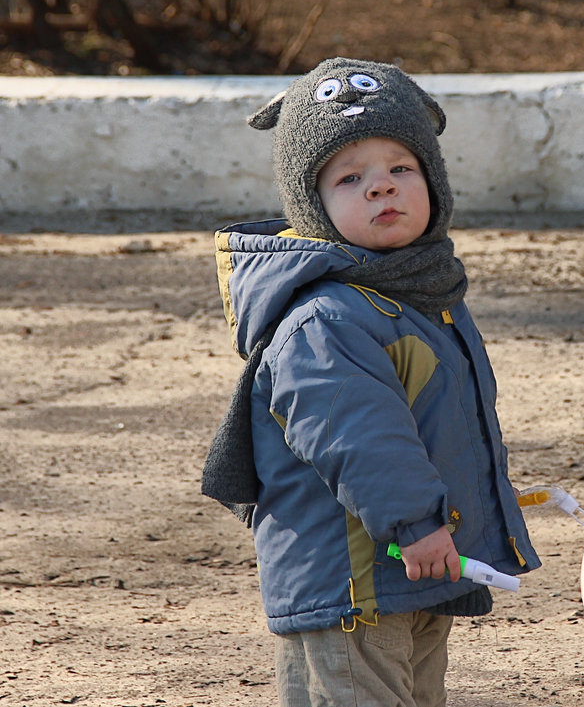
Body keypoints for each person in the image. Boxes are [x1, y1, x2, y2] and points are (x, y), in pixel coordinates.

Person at [200, 57, 541, 707]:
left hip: (415, 565)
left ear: (433, 181)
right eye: (350, 177)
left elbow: (442, 423)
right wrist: (415, 521)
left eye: (400, 169)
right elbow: (359, 437)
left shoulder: (421, 295)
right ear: (314, 206)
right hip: (355, 579)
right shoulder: (324, 318)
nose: (381, 188)